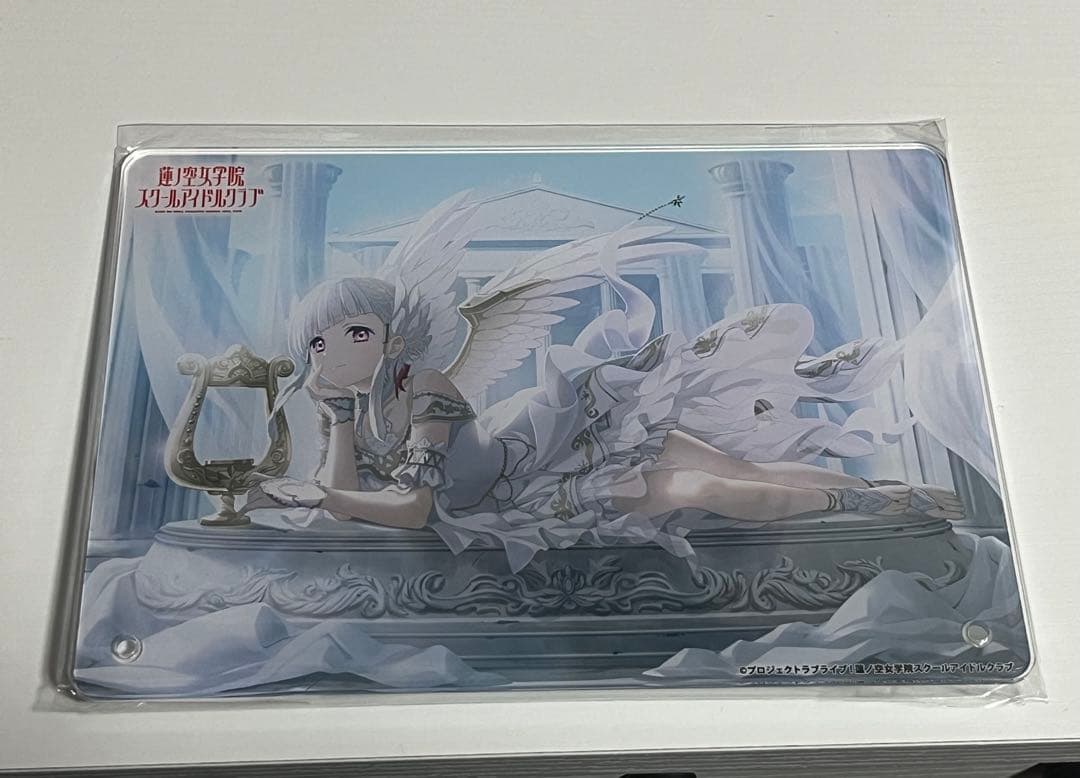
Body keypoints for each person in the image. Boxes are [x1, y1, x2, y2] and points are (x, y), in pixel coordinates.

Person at [245, 195, 961, 573]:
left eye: (354, 333)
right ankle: (877, 498)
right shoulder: (359, 408)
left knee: (732, 474)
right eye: (317, 344)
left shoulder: (426, 384)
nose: (332, 355)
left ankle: (879, 496)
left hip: (556, 446)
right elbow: (345, 494)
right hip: (520, 498)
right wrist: (337, 421)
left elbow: (408, 508)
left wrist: (322, 495)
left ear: (394, 337)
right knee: (704, 488)